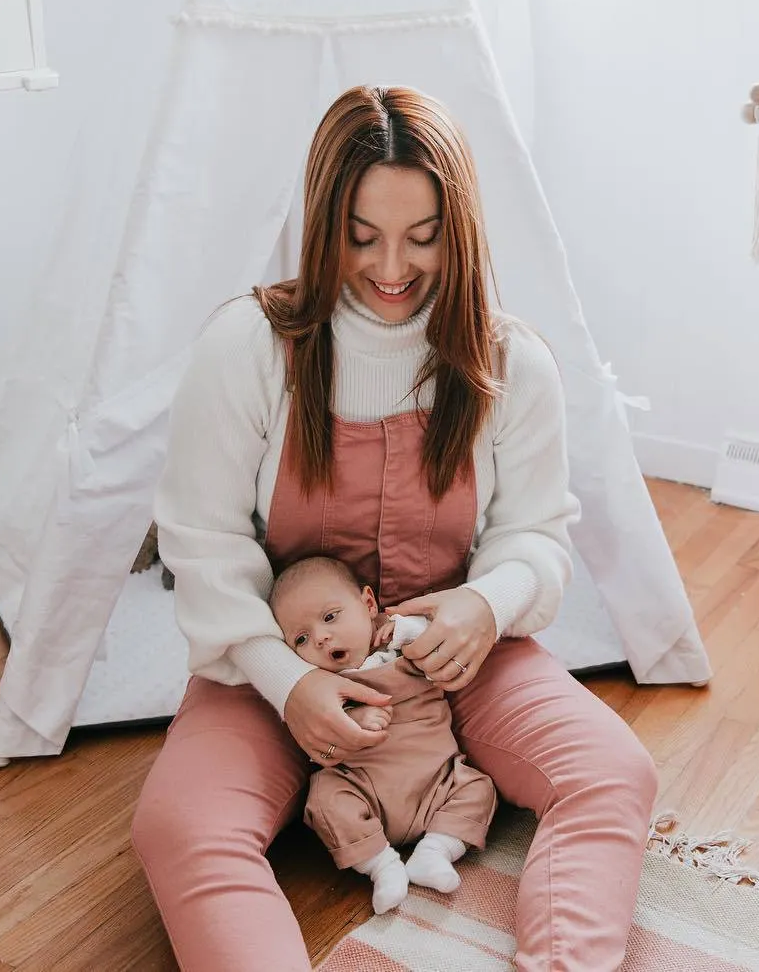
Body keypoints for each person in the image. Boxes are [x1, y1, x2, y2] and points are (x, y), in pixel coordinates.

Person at [131, 85, 659, 972]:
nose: (390, 270)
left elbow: (536, 535)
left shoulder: (510, 363)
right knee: (178, 827)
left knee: (616, 775)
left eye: (422, 237)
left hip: (453, 662)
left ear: (462, 228)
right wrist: (282, 681)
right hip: (277, 666)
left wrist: (488, 606)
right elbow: (204, 543)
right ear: (322, 224)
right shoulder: (247, 348)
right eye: (361, 237)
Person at [270, 553, 497, 914]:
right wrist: (355, 714)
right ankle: (382, 866)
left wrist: (405, 629)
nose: (321, 638)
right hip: (364, 790)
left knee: (478, 788)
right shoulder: (318, 683)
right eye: (301, 639)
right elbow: (315, 736)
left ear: (368, 603)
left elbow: (440, 637)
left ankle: (435, 851)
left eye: (330, 617)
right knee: (325, 798)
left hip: (438, 782)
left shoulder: (399, 641)